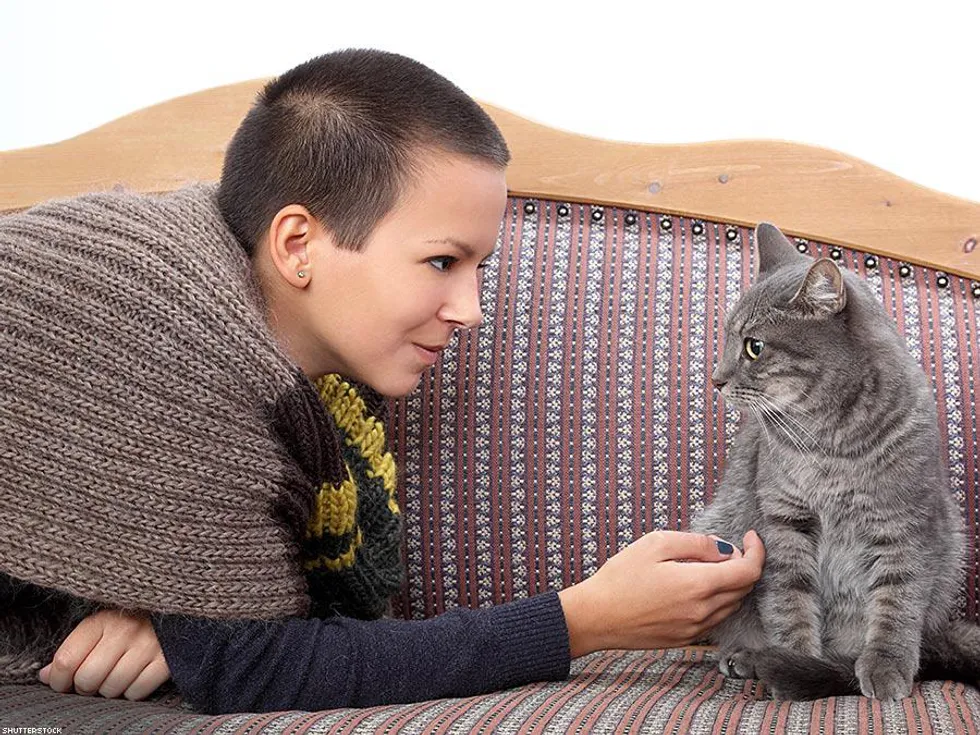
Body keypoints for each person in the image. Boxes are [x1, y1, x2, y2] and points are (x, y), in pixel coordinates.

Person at [2, 48, 765, 714]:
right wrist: (584, 620)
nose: (469, 309)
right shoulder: (182, 320)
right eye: (441, 261)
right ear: (298, 243)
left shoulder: (312, 373)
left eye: (478, 268)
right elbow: (257, 667)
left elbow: (240, 635)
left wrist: (174, 610)